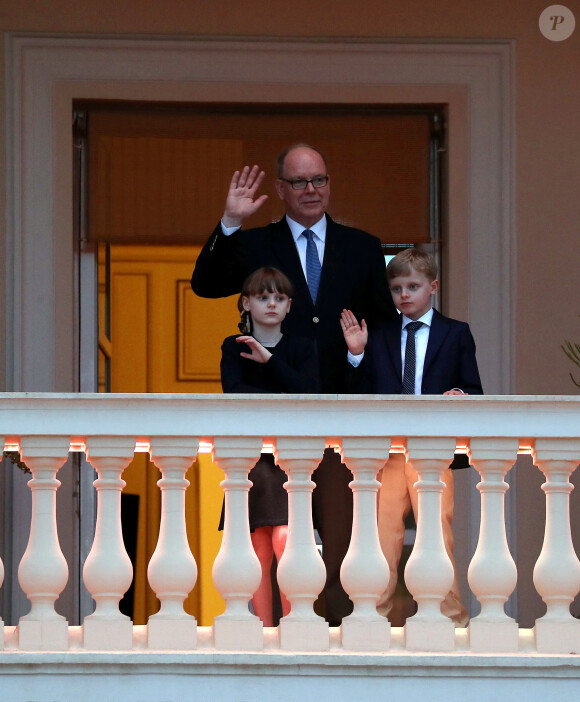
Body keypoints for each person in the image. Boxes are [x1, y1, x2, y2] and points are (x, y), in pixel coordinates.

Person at [192, 144, 398, 624]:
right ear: (281, 189)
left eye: (320, 180)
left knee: (343, 541)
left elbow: (385, 330)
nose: (312, 191)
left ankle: (346, 645)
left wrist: (372, 377)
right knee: (279, 537)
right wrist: (229, 222)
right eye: (300, 182)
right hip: (275, 418)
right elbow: (205, 282)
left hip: (344, 416)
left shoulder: (363, 246)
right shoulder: (259, 243)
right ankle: (286, 639)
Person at [340, 248, 483, 627]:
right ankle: (376, 613)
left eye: (413, 287)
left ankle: (449, 616)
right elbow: (361, 392)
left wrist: (461, 396)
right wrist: (356, 354)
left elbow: (474, 388)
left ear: (433, 287)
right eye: (397, 288)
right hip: (388, 451)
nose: (404, 295)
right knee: (382, 534)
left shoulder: (456, 333)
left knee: (437, 533)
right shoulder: (382, 336)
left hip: (432, 451)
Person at [220, 267, 320, 626]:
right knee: (257, 547)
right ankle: (264, 628)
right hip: (250, 457)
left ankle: (293, 623)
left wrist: (270, 361)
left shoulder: (301, 347)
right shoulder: (234, 347)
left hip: (291, 458)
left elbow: (310, 394)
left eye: (279, 298)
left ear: (290, 305)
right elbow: (235, 393)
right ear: (246, 303)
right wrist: (280, 393)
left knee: (286, 540)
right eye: (263, 297)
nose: (271, 304)